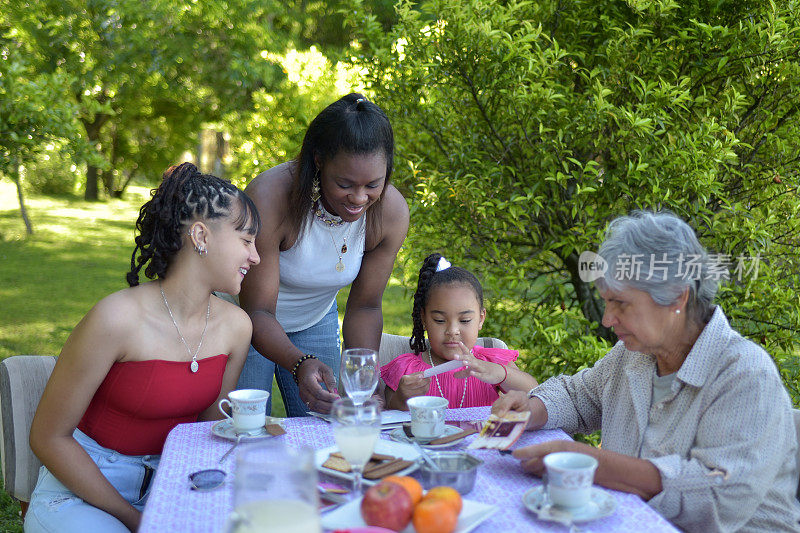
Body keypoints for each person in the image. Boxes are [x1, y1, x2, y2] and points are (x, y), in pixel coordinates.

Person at [493, 211, 800, 532]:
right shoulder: (634, 356)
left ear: (676, 297)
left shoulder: (745, 374)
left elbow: (718, 496)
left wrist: (585, 462)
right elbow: (579, 395)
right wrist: (532, 408)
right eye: (606, 302)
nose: (607, 319)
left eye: (620, 303)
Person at [25, 163, 261, 532]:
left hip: (173, 486)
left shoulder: (237, 327)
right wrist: (135, 519)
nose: (256, 257)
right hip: (82, 494)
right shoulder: (115, 318)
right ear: (201, 236)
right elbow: (48, 437)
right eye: (246, 241)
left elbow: (209, 432)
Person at [237, 93, 409, 417]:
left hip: (314, 318)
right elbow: (257, 311)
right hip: (242, 321)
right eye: (344, 183)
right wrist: (299, 362)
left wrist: (365, 381)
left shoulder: (390, 214)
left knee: (323, 427)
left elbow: (366, 306)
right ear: (318, 160)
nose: (359, 198)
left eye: (373, 184)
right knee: (246, 427)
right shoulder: (271, 197)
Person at [382, 253, 537, 410]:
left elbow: (534, 392)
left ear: (481, 319)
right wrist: (402, 399)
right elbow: (389, 417)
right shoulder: (406, 369)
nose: (452, 331)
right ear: (424, 319)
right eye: (440, 320)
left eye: (464, 320)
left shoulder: (489, 363)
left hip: (481, 435)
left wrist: (501, 374)